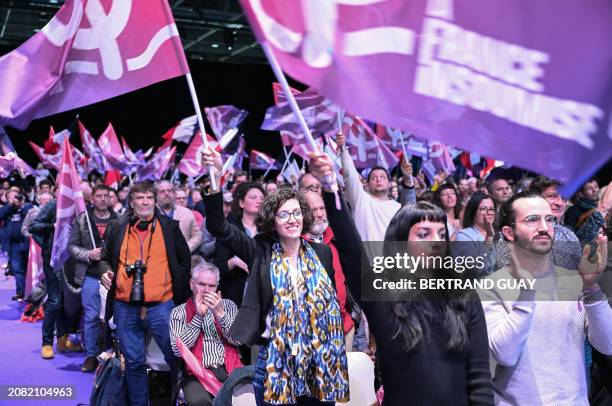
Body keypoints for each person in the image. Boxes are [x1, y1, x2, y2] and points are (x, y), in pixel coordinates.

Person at [307, 151, 493, 405]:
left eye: (441, 233)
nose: (436, 242)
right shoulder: (383, 294)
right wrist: (329, 187)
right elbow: (351, 252)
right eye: (423, 234)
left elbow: (480, 381)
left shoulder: (463, 294)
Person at [201, 148, 349, 406]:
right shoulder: (259, 250)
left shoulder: (322, 253)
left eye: (296, 213)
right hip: (275, 358)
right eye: (283, 214)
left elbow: (331, 301)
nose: (292, 220)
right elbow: (219, 227)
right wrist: (214, 175)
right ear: (272, 220)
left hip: (320, 358)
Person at [480, 191, 612, 405]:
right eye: (532, 220)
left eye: (549, 219)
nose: (544, 227)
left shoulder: (573, 280)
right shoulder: (491, 285)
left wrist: (592, 288)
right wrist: (526, 293)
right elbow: (505, 354)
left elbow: (608, 345)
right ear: (509, 232)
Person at [99, 181, 191, 406]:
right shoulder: (116, 226)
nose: (145, 202)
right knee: (134, 362)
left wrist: (174, 283)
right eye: (140, 198)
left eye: (149, 198)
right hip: (124, 305)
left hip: (162, 305)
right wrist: (106, 272)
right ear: (131, 202)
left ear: (155, 200)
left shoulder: (169, 226)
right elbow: (103, 259)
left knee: (176, 357)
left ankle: (178, 400)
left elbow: (184, 259)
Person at [170, 263, 240, 406]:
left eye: (212, 286)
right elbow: (178, 350)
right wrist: (198, 317)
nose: (207, 290)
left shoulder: (228, 306)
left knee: (243, 398)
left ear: (217, 286)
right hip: (196, 374)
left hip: (229, 368)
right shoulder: (179, 312)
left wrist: (220, 314)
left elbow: (238, 340)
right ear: (191, 284)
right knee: (199, 402)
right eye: (202, 284)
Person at [68, 185, 118, 372]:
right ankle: (90, 355)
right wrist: (89, 254)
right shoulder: (83, 220)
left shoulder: (119, 220)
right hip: (90, 276)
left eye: (107, 196)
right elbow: (72, 247)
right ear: (93, 199)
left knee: (113, 318)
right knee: (91, 318)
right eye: (99, 196)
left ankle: (110, 354)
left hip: (113, 276)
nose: (103, 199)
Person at [301, 191, 355, 350]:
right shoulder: (293, 246)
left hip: (344, 328)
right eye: (312, 210)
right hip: (311, 335)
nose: (319, 214)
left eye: (322, 208)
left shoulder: (338, 239)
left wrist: (353, 320)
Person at [337, 131, 400, 242]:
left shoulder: (399, 208)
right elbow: (350, 175)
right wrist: (343, 149)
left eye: (382, 177)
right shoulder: (361, 200)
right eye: (373, 177)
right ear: (367, 183)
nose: (378, 179)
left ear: (389, 183)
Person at [213, 182, 264, 306]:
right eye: (253, 197)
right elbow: (219, 268)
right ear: (241, 203)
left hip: (263, 290)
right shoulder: (230, 230)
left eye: (262, 198)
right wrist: (235, 261)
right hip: (236, 293)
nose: (259, 201)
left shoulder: (268, 229)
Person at [0, 189, 32, 300]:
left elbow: (29, 214)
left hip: (27, 242)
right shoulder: (6, 210)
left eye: (16, 196)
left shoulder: (27, 206)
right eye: (12, 197)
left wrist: (21, 205)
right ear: (8, 199)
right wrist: (10, 205)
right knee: (18, 270)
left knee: (29, 268)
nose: (15, 199)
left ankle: (32, 293)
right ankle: (21, 293)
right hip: (13, 245)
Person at [156, 180, 203, 253]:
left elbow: (197, 235)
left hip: (182, 259)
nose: (166, 193)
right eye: (162, 191)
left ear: (174, 194)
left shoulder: (187, 213)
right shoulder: (150, 214)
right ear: (156, 195)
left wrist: (186, 248)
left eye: (169, 190)